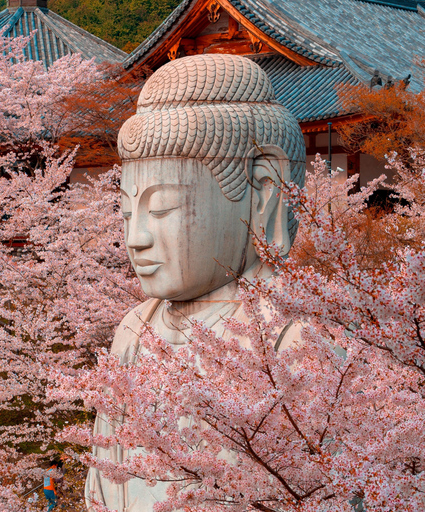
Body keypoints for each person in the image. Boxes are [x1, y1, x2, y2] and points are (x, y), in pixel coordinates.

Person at [84, 54, 305, 511]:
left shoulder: (298, 338)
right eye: (128, 212)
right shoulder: (132, 332)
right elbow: (103, 485)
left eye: (161, 209)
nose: (135, 238)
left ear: (264, 191)